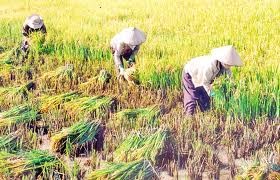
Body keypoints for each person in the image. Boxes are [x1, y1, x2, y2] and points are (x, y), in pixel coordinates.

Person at [182, 45, 243, 115]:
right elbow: (205, 82)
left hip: (202, 77)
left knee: (205, 99)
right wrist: (212, 94)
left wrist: (234, 92)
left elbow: (230, 80)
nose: (229, 65)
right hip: (190, 73)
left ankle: (204, 113)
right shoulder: (210, 66)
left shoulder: (226, 68)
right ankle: (189, 118)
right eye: (227, 63)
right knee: (191, 97)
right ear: (223, 60)